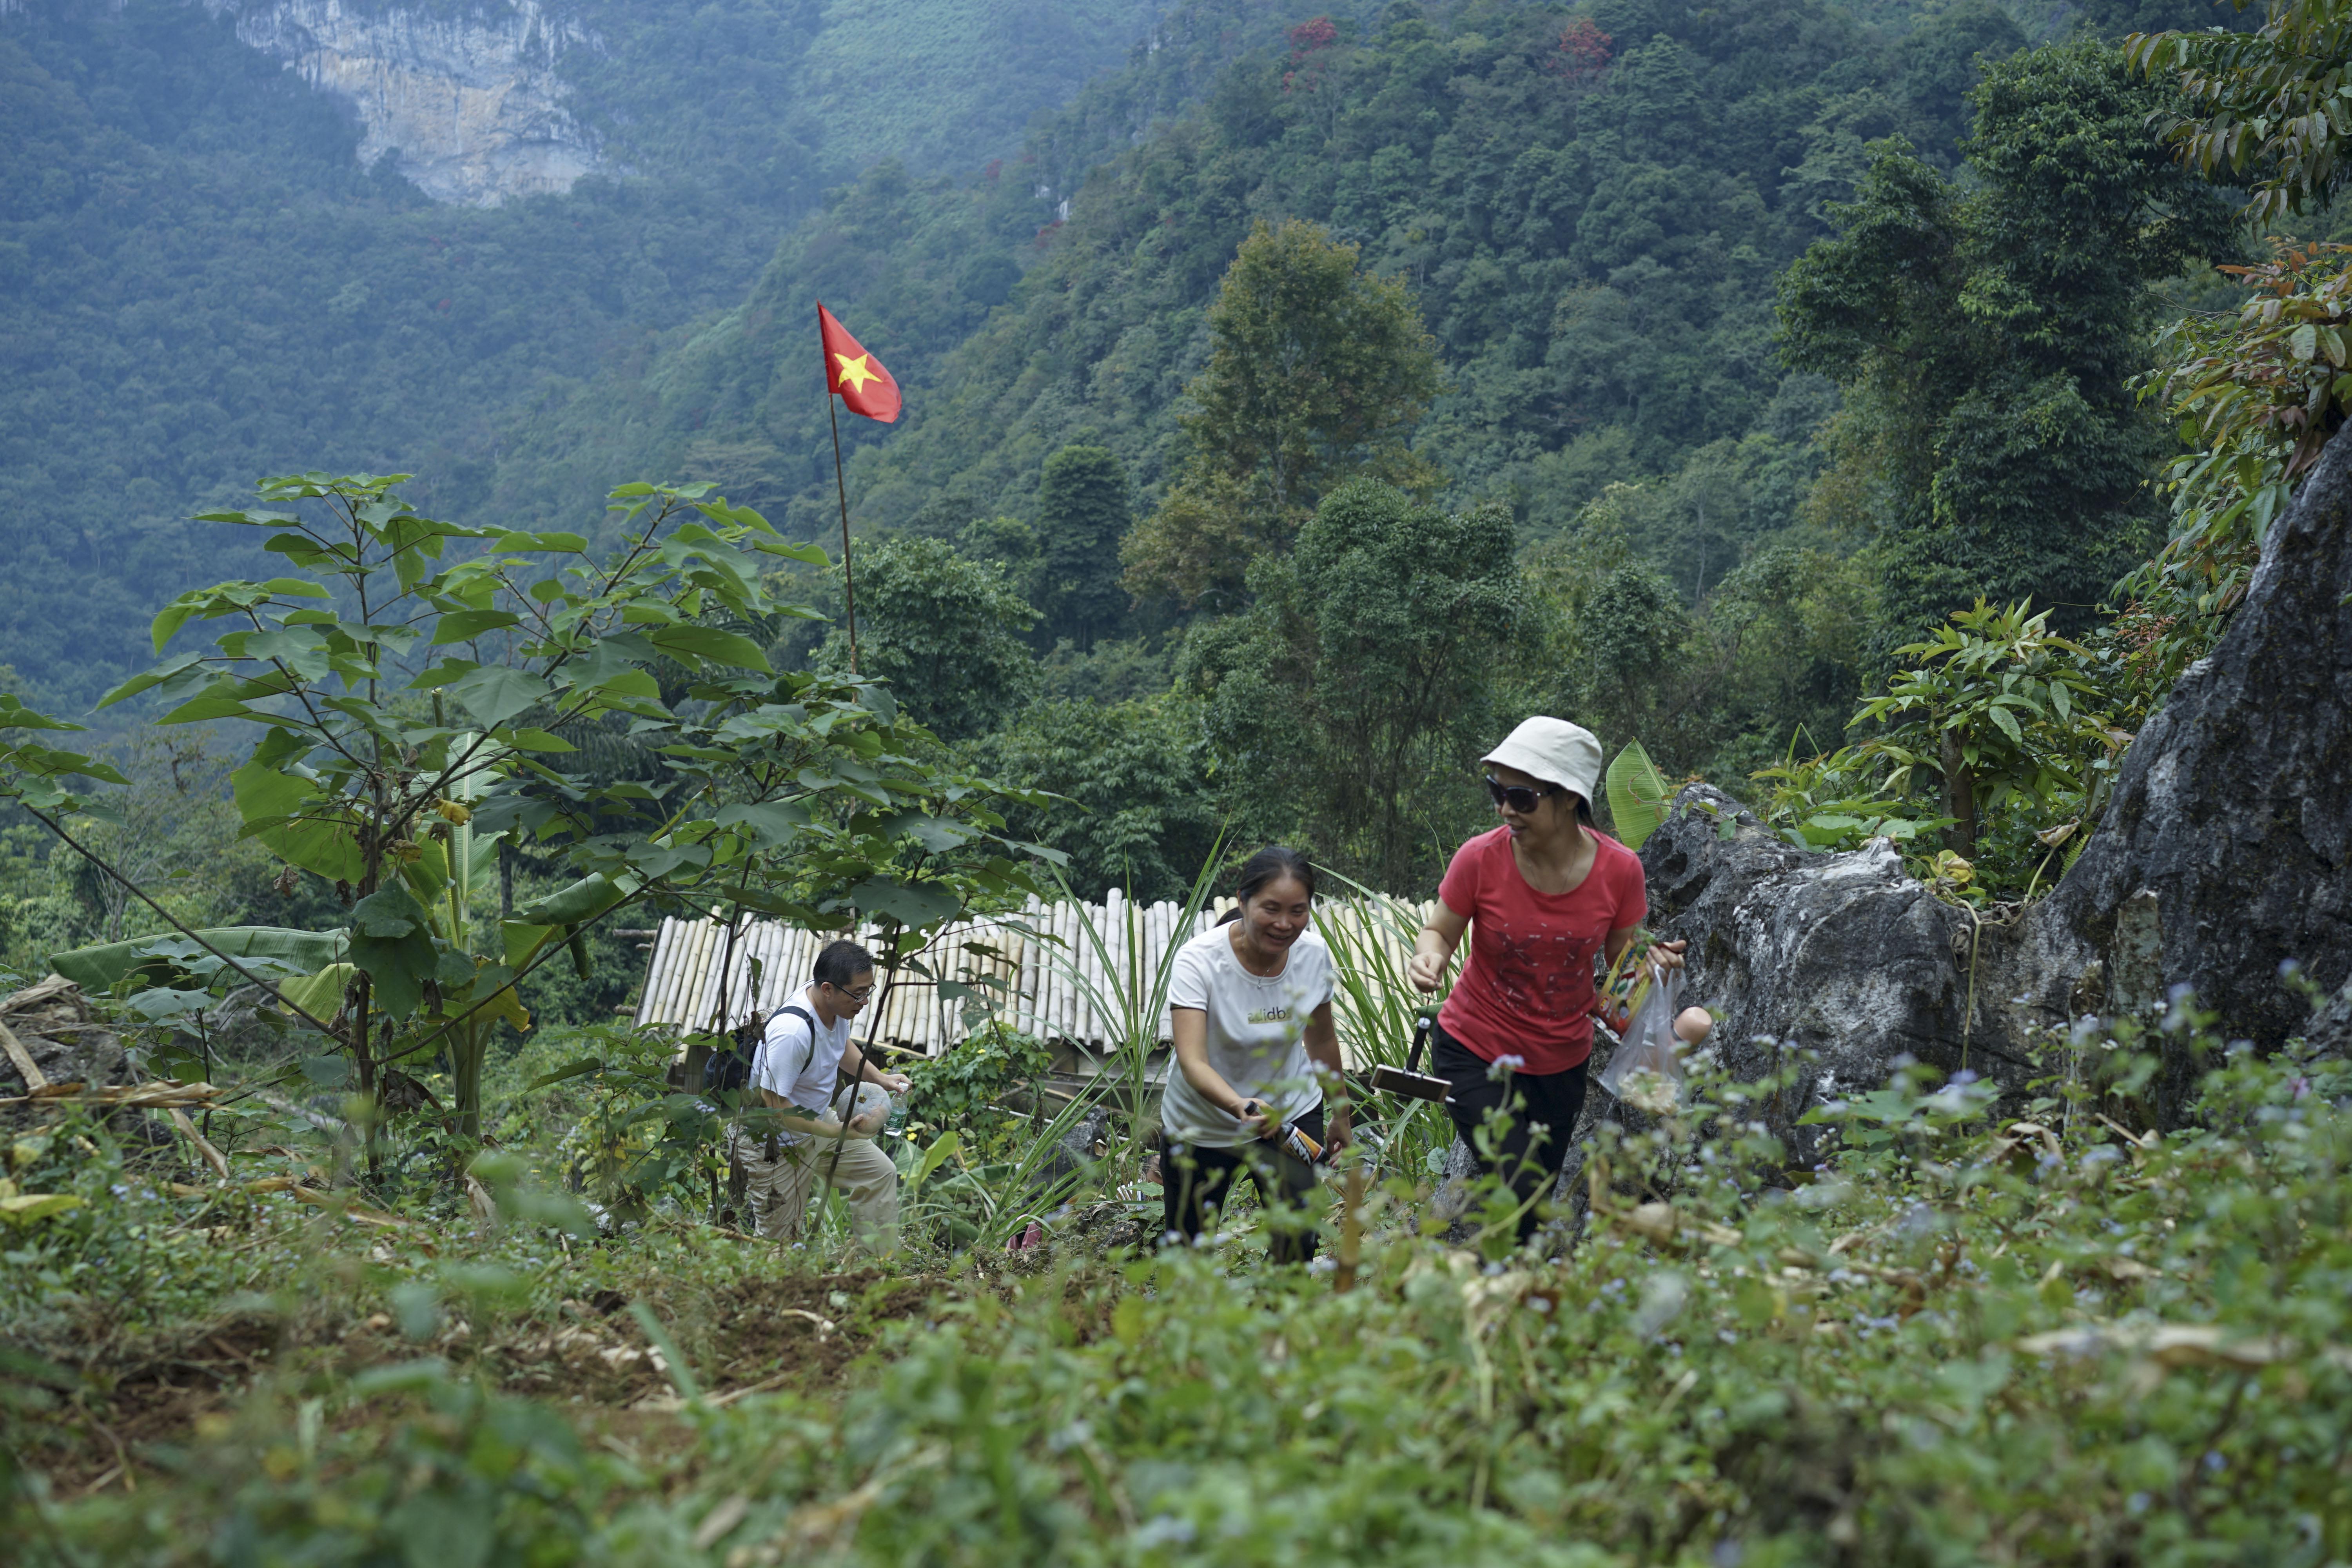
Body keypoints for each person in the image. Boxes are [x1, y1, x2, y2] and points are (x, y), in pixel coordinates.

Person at [1407, 716, 1688, 1244]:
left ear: (1568, 799)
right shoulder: (1480, 858)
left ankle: (1510, 1300)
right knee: (1514, 1175)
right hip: (1474, 1046)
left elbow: (1623, 956)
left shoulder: (1620, 870)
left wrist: (1652, 959)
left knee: (1533, 1205)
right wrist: (1430, 958)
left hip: (1561, 1062)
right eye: (1497, 791)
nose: (1504, 809)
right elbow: (1439, 932)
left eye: (1521, 796)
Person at [1161, 846, 1349, 1263]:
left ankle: (1279, 1322)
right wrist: (1238, 1104)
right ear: (1242, 900)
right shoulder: (1199, 961)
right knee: (1190, 1246)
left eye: (1298, 910)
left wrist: (1341, 1112)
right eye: (1271, 908)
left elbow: (1321, 1040)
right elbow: (1192, 1060)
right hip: (1204, 1122)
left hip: (1288, 1113)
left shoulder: (1313, 954)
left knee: (1298, 1236)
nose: (1285, 924)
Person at [730, 938, 912, 1250]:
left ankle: (877, 1268)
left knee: (880, 1175)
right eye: (858, 993)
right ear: (828, 989)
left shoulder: (833, 1005)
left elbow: (840, 1045)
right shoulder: (793, 1032)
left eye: (869, 990)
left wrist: (880, 1078)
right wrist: (834, 1131)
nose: (865, 1001)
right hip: (775, 1143)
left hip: (813, 1122)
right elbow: (772, 1104)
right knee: (780, 1245)